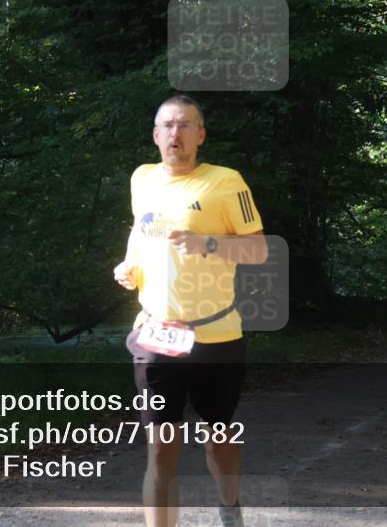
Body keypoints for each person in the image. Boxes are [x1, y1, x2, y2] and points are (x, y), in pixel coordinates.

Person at [114, 94, 268, 527]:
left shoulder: (226, 182)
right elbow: (140, 232)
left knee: (217, 437)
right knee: (161, 446)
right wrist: (129, 266)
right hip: (157, 335)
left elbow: (257, 249)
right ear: (155, 135)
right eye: (167, 126)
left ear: (200, 135)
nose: (175, 134)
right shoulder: (142, 178)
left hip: (215, 335)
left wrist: (209, 243)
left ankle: (229, 507)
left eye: (185, 126)